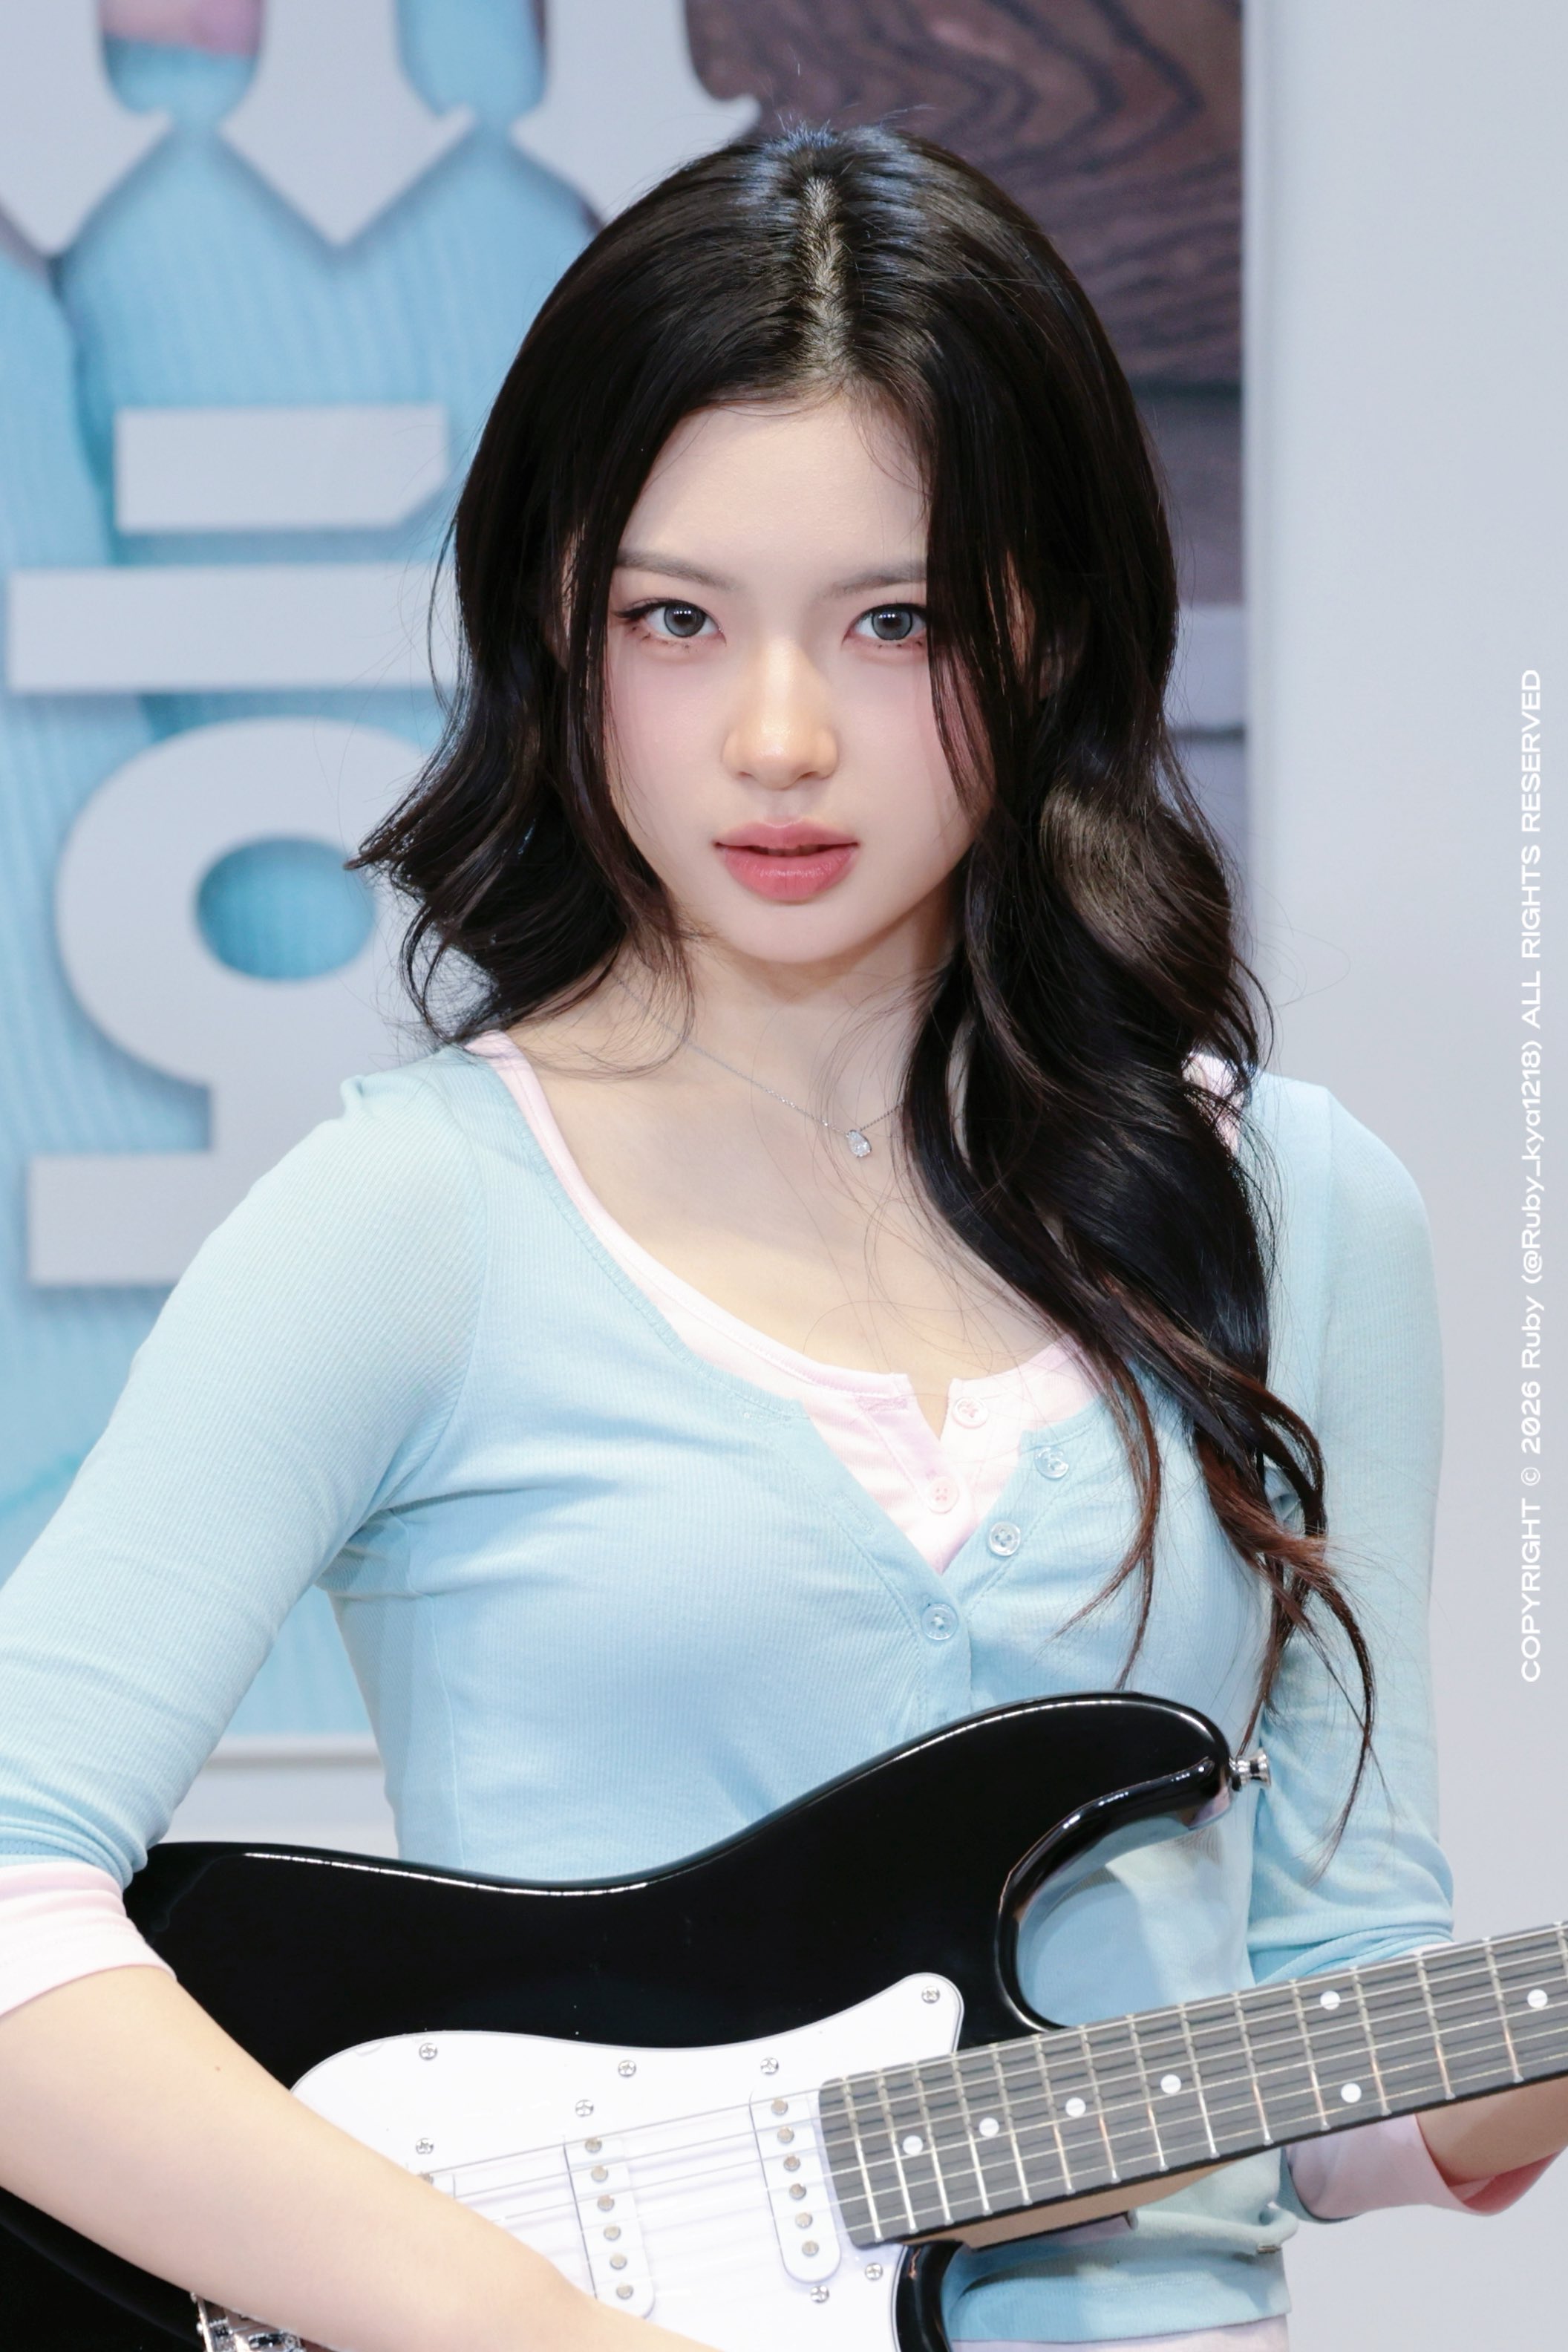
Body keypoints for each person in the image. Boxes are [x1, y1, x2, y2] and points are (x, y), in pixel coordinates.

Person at [0, 123, 1561, 2352]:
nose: (777, 736)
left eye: (895, 620)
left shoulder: (1299, 1214)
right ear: (559, 628)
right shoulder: (410, 1219)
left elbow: (1335, 2029)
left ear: (1053, 621)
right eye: (678, 619)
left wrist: (1491, 2072)